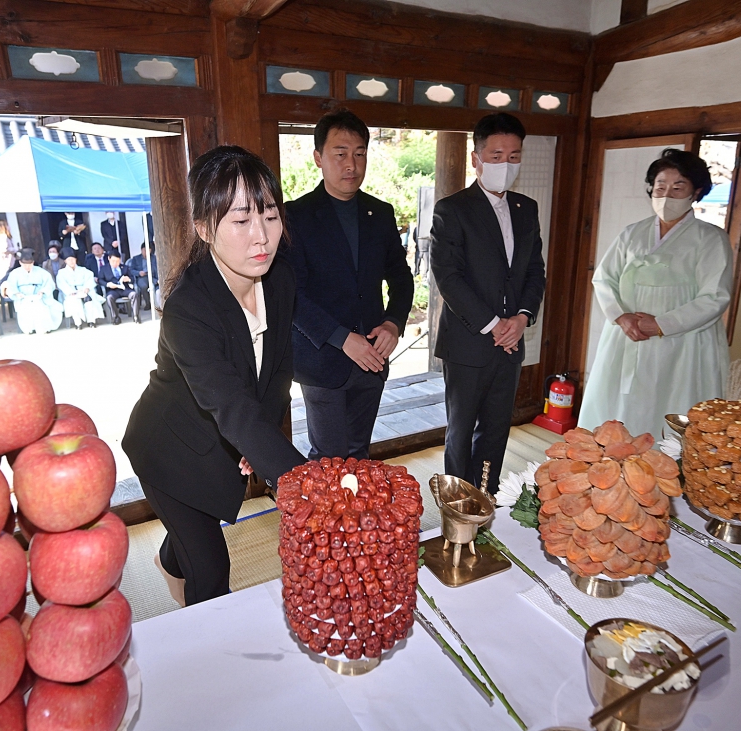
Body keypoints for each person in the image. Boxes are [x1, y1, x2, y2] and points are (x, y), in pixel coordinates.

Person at [123, 145, 307, 606]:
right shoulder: (188, 308)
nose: (261, 236)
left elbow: (278, 368)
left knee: (188, 541)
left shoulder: (280, 278)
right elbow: (230, 406)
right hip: (169, 450)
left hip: (221, 441)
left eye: (269, 214)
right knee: (210, 570)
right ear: (206, 228)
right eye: (241, 221)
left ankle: (171, 557)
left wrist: (258, 441)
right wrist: (309, 489)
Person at [284, 109, 414, 460]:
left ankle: (357, 518)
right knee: (328, 458)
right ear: (318, 158)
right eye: (340, 154)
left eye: (359, 154)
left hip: (372, 356)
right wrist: (342, 338)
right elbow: (292, 296)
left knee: (359, 453)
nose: (351, 164)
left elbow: (401, 278)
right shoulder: (295, 216)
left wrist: (393, 323)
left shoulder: (380, 213)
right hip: (322, 356)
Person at [578, 148, 732, 440]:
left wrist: (662, 324)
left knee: (670, 403)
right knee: (619, 406)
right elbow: (604, 278)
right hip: (627, 335)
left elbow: (715, 297)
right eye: (660, 186)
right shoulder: (632, 233)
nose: (666, 195)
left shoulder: (710, 239)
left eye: (678, 187)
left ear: (696, 191)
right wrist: (621, 316)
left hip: (683, 341)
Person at [430, 112, 547, 493]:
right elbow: (449, 278)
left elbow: (534, 271)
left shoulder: (526, 208)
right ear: (476, 158)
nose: (505, 164)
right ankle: (455, 506)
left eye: (514, 156)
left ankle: (486, 498)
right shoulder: (453, 209)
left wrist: (523, 317)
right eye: (496, 156)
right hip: (468, 342)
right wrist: (494, 324)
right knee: (461, 433)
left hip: (511, 342)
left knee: (496, 430)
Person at [1, 249, 63, 335]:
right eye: (25, 264)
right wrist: (16, 293)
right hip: (23, 298)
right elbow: (10, 286)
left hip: (39, 297)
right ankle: (29, 328)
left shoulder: (41, 272)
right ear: (20, 263)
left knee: (40, 307)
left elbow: (49, 284)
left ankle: (43, 327)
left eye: (29, 264)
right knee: (26, 309)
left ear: (33, 263)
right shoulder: (14, 273)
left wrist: (43, 291)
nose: (27, 267)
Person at [56, 247, 105, 329]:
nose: (71, 262)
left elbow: (90, 278)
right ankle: (78, 322)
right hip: (71, 292)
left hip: (84, 290)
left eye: (73, 259)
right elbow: (62, 284)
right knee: (74, 300)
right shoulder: (62, 273)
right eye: (69, 260)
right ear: (65, 261)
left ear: (75, 260)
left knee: (89, 299)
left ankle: (91, 321)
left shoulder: (83, 270)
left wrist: (87, 288)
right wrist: (71, 292)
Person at [100, 251, 140, 325]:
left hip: (125, 289)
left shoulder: (125, 267)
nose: (115, 263)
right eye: (113, 261)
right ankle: (116, 317)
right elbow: (100, 280)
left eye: (117, 261)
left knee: (134, 294)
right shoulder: (104, 269)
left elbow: (133, 278)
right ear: (109, 259)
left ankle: (136, 316)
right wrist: (108, 284)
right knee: (109, 298)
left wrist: (128, 279)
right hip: (113, 290)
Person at [128, 243, 158, 312]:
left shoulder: (154, 258)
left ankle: (157, 304)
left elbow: (157, 269)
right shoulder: (136, 258)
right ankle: (148, 303)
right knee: (143, 286)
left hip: (152, 276)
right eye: (145, 250)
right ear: (141, 250)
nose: (146, 252)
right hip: (142, 277)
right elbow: (131, 270)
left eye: (148, 250)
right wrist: (138, 273)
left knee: (156, 285)